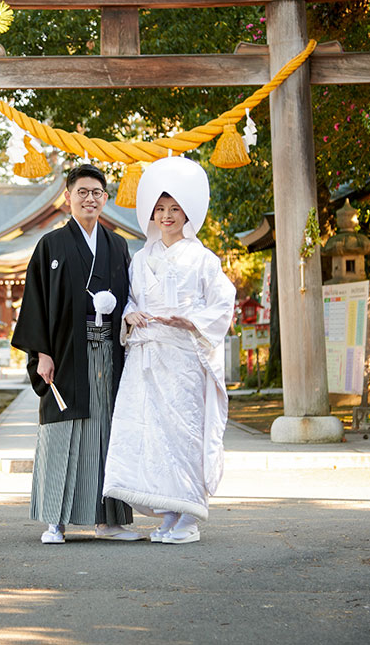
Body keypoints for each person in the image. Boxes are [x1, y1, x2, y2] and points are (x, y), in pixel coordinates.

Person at [103, 156, 236, 544]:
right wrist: (131, 316)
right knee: (153, 436)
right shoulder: (141, 258)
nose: (166, 216)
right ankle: (168, 511)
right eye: (160, 209)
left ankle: (189, 516)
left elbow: (223, 302)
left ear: (187, 213)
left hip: (181, 357)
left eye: (174, 209)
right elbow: (128, 301)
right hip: (147, 357)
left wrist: (192, 321)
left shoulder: (202, 258)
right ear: (151, 214)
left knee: (183, 434)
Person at [12, 164, 141, 543]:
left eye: (97, 192)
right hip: (66, 351)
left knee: (106, 431)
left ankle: (108, 521)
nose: (90, 198)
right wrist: (41, 354)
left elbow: (132, 297)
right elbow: (35, 302)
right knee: (62, 427)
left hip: (109, 351)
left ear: (106, 198)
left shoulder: (117, 245)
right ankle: (56, 519)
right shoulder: (50, 245)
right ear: (67, 197)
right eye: (82, 191)